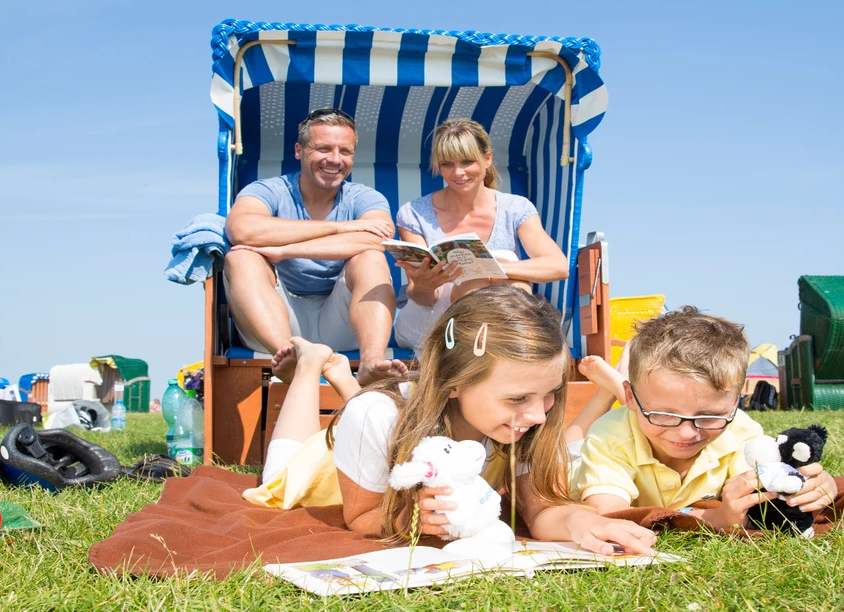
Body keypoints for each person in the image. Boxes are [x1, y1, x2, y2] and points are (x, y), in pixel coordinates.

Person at [245, 285, 656, 554]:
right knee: (280, 474)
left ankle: (338, 376)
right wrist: (413, 518)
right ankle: (310, 366)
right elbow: (361, 516)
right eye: (517, 398)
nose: (536, 414)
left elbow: (540, 509)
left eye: (550, 395)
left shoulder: (526, 419)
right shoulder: (374, 416)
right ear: (453, 382)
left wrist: (581, 522)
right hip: (329, 469)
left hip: (396, 427)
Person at [571, 307, 838, 530]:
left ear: (735, 403)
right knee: (560, 451)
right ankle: (611, 388)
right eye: (663, 414)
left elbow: (764, 494)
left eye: (710, 416)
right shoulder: (609, 436)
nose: (687, 433)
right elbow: (609, 514)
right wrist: (713, 519)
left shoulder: (742, 431)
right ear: (630, 398)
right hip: (573, 462)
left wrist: (814, 488)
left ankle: (621, 382)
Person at [223, 108, 406, 385]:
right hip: (276, 321)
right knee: (241, 258)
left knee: (370, 257)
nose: (334, 159)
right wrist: (342, 227)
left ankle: (372, 361)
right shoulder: (268, 190)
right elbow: (241, 230)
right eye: (323, 148)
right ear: (299, 150)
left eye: (345, 151)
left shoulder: (365, 197)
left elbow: (378, 239)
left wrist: (286, 250)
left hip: (342, 321)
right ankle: (289, 358)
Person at [392, 119, 569, 351]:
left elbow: (558, 266)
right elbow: (424, 297)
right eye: (447, 164)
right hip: (428, 317)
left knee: (505, 267)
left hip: (494, 317)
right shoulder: (414, 213)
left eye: (467, 162)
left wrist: (490, 267)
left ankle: (486, 349)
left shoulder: (514, 208)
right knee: (480, 279)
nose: (458, 172)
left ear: (487, 159)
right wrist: (424, 285)